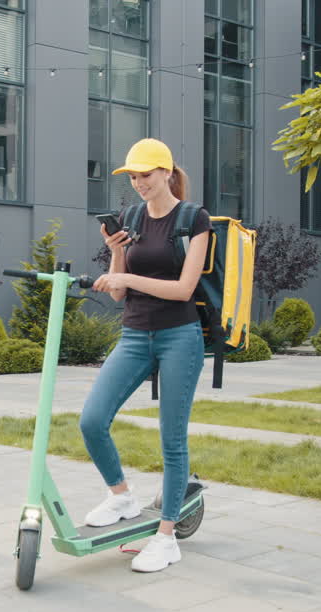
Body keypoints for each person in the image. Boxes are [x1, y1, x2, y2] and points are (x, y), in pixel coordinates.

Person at [80, 138, 210, 573]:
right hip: (136, 333)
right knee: (92, 420)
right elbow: (119, 290)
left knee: (171, 439)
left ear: (167, 173)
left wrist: (130, 276)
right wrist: (116, 251)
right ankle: (122, 497)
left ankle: (167, 535)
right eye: (133, 177)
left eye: (146, 175)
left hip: (179, 335)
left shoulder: (194, 219)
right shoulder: (132, 217)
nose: (138, 184)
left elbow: (183, 289)